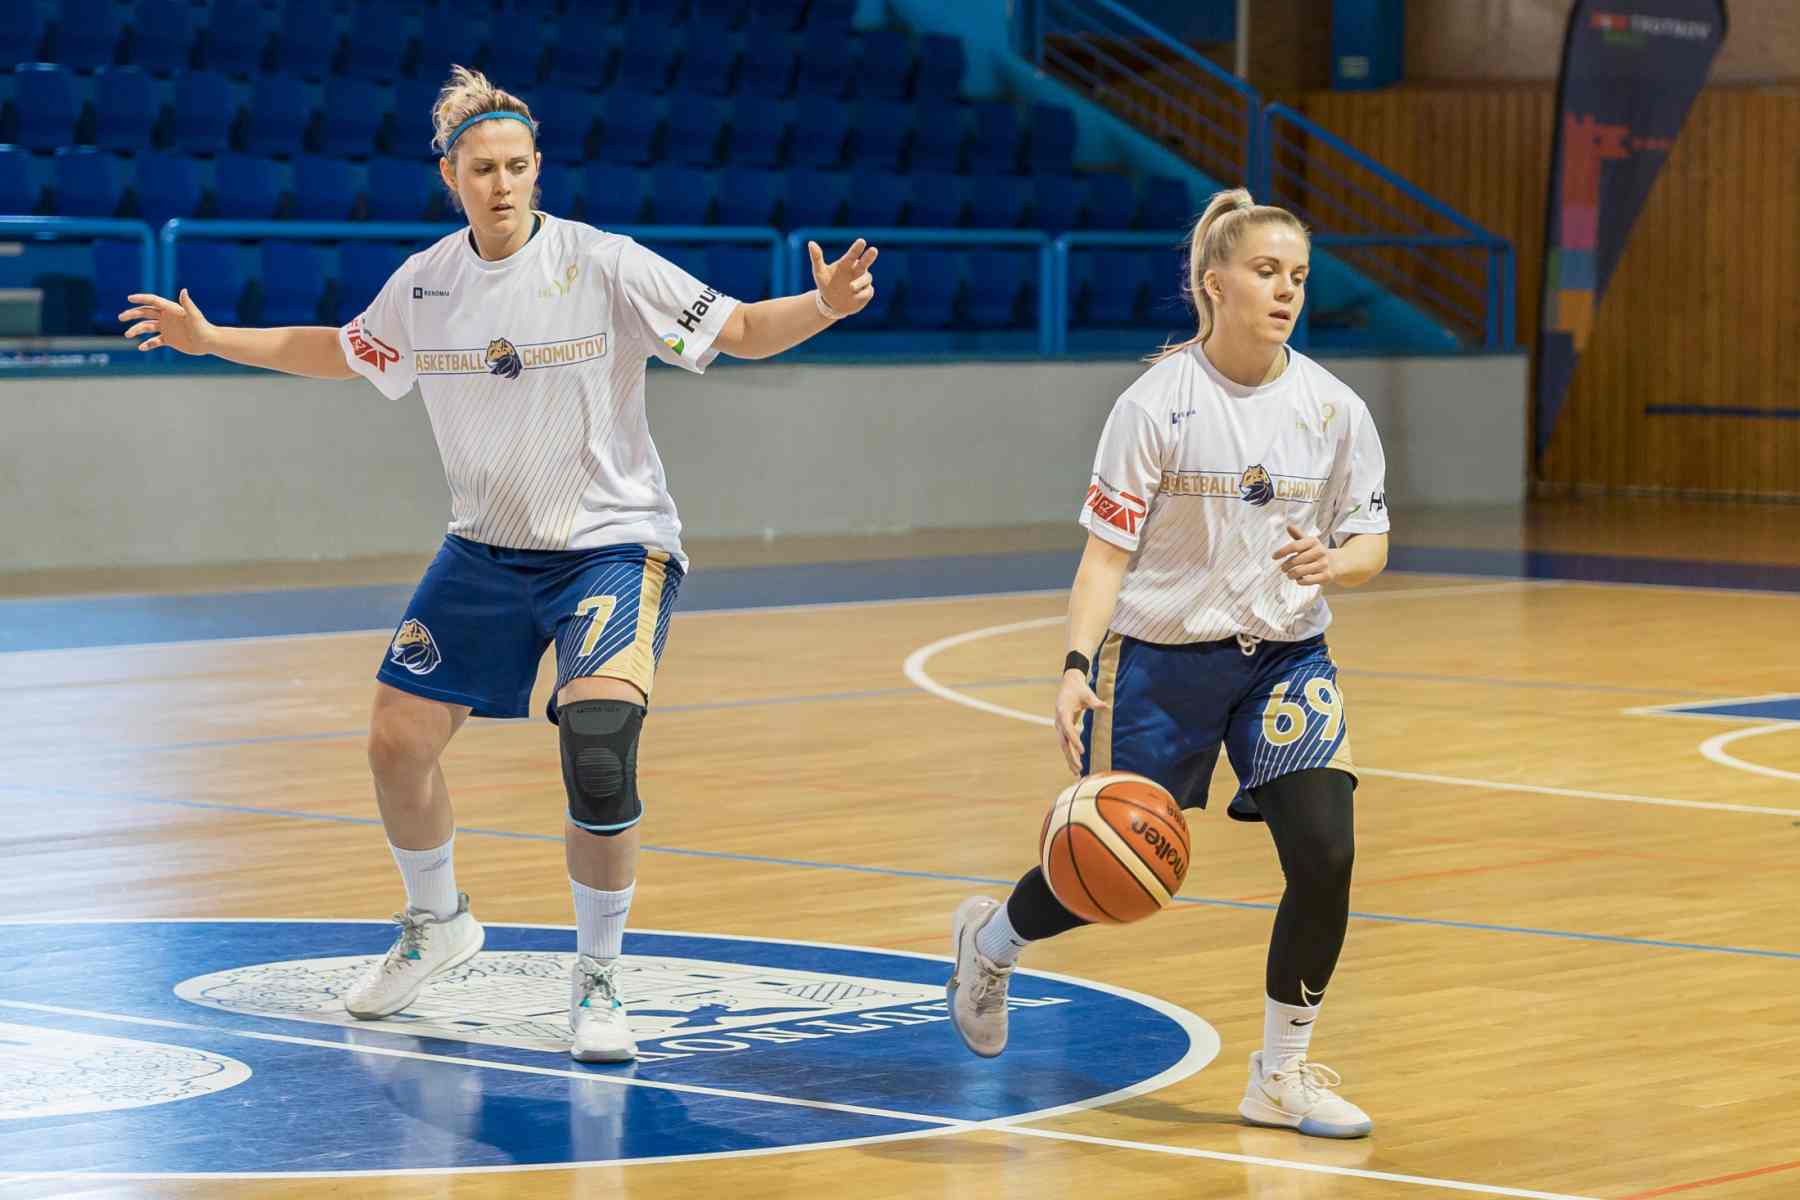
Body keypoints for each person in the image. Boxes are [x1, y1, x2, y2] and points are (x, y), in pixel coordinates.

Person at [119, 67, 879, 1064]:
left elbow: (736, 329)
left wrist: (821, 305)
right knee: (396, 741)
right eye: (483, 168)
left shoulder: (602, 263)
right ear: (452, 176)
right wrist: (214, 338)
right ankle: (437, 923)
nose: (503, 183)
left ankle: (598, 980)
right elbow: (340, 348)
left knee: (598, 746)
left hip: (611, 546)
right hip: (484, 548)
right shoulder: (426, 284)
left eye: (518, 165)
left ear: (538, 168)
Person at [944, 188, 1390, 1139]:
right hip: (1165, 658)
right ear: (1214, 284)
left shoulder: (1334, 407)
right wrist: (1076, 665)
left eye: (1299, 275)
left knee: (1327, 855)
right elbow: (1105, 557)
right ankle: (993, 940)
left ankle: (1281, 1075)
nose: (1287, 291)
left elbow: (1371, 542)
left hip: (1285, 661)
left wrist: (1336, 563)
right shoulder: (1157, 404)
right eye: (1266, 272)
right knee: (1114, 872)